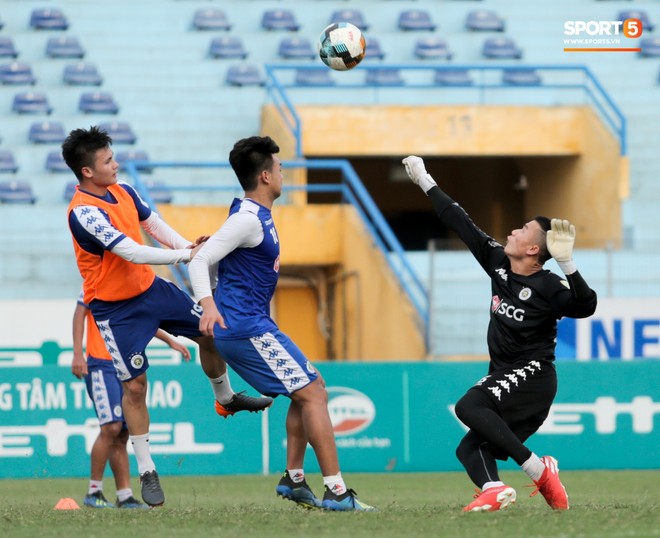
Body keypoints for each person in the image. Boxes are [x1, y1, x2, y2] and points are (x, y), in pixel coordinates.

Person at [63, 126, 273, 507]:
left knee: (211, 331)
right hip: (115, 310)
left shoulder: (123, 189)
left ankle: (225, 398)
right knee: (136, 388)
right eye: (108, 160)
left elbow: (152, 224)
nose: (116, 163)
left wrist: (187, 245)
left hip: (152, 291)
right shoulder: (84, 213)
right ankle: (147, 471)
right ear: (87, 171)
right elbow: (131, 251)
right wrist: (187, 257)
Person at [188, 136, 374, 511]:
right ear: (265, 177)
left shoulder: (247, 213)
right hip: (245, 328)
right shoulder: (247, 219)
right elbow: (197, 260)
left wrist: (213, 287)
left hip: (252, 324)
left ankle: (294, 478)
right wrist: (208, 305)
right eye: (279, 168)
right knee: (314, 394)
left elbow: (206, 256)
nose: (283, 173)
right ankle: (336, 492)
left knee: (309, 389)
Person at [402, 156, 597, 513]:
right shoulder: (499, 264)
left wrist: (568, 264)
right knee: (469, 449)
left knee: (468, 405)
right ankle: (494, 489)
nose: (512, 232)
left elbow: (586, 306)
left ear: (534, 249)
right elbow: (462, 223)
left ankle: (539, 470)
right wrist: (425, 181)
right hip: (506, 378)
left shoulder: (548, 284)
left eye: (522, 230)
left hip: (533, 377)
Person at [72, 295, 191, 509]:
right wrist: (77, 354)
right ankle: (93, 491)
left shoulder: (127, 288)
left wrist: (170, 340)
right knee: (111, 426)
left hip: (122, 363)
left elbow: (138, 320)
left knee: (123, 433)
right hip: (100, 364)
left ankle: (125, 496)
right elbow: (80, 313)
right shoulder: (96, 281)